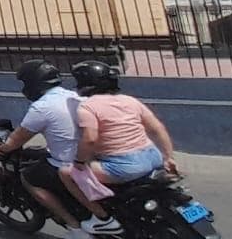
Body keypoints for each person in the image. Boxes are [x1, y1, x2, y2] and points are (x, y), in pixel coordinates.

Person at [57, 61, 180, 236]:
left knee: (67, 173)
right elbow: (157, 128)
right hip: (153, 157)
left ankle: (103, 219)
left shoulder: (88, 106)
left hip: (124, 167)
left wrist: (78, 161)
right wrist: (168, 157)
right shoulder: (130, 100)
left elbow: (90, 139)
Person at [0, 60, 89, 239]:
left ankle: (75, 228)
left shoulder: (41, 107)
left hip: (69, 163)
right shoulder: (74, 96)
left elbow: (17, 139)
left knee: (29, 178)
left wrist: (1, 149)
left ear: (33, 83)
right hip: (92, 158)